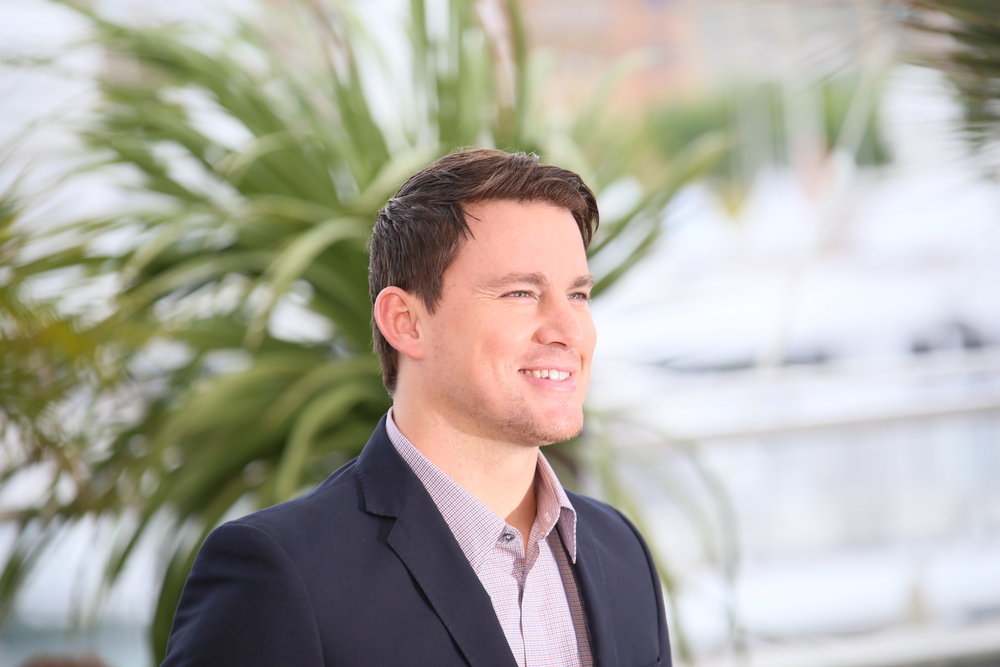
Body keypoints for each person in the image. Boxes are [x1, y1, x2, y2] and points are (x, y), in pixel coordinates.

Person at [162, 149, 671, 667]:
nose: (569, 332)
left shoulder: (621, 553)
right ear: (405, 322)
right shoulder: (281, 574)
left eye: (579, 296)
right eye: (520, 293)